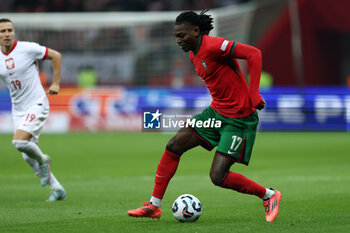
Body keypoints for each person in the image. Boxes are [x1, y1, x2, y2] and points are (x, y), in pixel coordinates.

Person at [128, 10, 282, 222]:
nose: (178, 40)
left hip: (239, 119)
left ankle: (269, 195)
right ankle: (153, 206)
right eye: (176, 36)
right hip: (216, 113)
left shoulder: (213, 45)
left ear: (196, 31)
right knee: (174, 146)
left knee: (218, 177)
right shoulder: (193, 54)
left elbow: (254, 53)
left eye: (182, 35)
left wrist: (254, 93)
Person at [0, 18, 66, 201]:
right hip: (18, 109)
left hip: (37, 103)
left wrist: (56, 82)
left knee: (19, 143)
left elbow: (56, 55)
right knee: (26, 155)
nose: (6, 34)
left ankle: (44, 159)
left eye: (9, 30)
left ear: (14, 32)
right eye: (2, 31)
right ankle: (57, 188)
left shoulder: (27, 48)